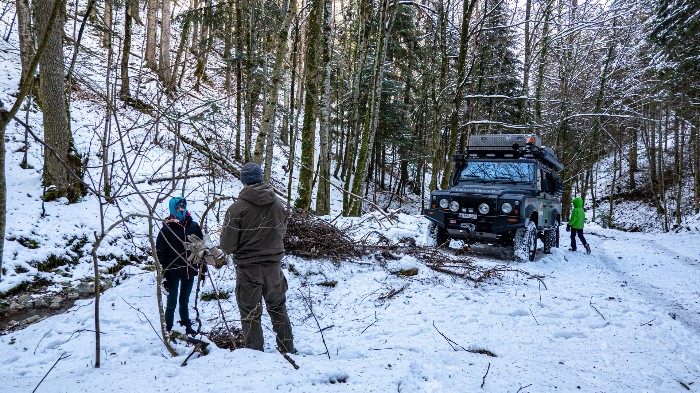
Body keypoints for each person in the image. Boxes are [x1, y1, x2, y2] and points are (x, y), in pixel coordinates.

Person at [220, 162, 295, 353]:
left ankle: (254, 355)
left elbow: (227, 247)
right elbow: (281, 232)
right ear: (261, 178)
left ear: (243, 181)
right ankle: (288, 349)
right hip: (274, 268)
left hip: (248, 270)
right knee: (278, 309)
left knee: (250, 314)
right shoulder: (278, 204)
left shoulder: (236, 209)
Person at [156, 196, 204, 336]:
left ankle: (186, 325)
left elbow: (201, 248)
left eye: (183, 206)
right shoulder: (167, 228)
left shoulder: (193, 225)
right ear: (172, 209)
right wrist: (164, 274)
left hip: (190, 269)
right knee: (171, 302)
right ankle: (169, 328)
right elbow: (160, 251)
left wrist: (202, 269)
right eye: (178, 207)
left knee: (184, 300)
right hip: (173, 271)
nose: (181, 209)